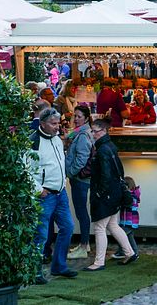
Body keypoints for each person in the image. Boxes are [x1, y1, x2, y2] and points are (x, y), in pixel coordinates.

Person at [29, 108, 77, 283]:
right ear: (42, 123)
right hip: (45, 194)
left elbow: (59, 162)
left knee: (68, 227)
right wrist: (38, 189)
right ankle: (34, 272)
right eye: (53, 123)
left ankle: (59, 265)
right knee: (40, 234)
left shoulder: (57, 139)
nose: (57, 127)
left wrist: (63, 181)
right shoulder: (33, 142)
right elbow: (25, 170)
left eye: (58, 123)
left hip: (59, 192)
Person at [85, 118, 137, 270]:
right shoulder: (110, 146)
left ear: (103, 131)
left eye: (94, 131)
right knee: (113, 224)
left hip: (106, 194)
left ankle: (99, 262)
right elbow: (118, 171)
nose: (92, 134)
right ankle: (129, 252)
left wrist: (100, 193)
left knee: (100, 227)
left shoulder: (102, 150)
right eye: (92, 131)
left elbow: (105, 175)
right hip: (115, 192)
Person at [65, 105, 94, 259]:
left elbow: (81, 159)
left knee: (81, 212)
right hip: (81, 178)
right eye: (74, 116)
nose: (75, 119)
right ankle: (85, 243)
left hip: (80, 179)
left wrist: (70, 172)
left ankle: (83, 246)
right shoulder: (81, 132)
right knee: (82, 212)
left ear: (86, 118)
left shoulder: (83, 135)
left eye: (79, 117)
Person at [114, 177, 141, 258]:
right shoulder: (135, 194)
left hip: (129, 220)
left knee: (120, 235)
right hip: (130, 220)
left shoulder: (131, 195)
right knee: (129, 237)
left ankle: (121, 251)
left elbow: (127, 204)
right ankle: (135, 252)